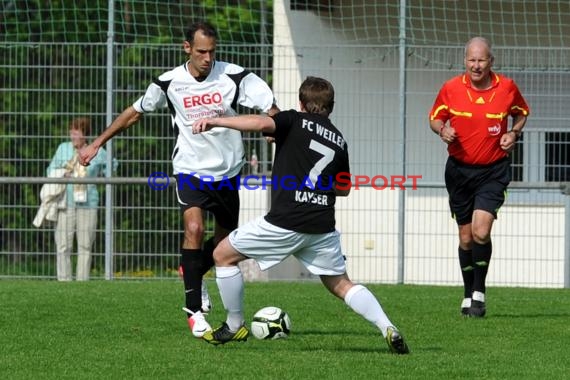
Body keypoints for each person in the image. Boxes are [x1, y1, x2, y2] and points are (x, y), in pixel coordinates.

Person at [78, 21, 278, 335]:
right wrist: (97, 142)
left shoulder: (235, 75)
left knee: (224, 247)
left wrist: (274, 130)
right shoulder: (170, 82)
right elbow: (134, 112)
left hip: (228, 172)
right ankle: (195, 311)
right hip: (190, 169)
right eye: (201, 52)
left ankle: (192, 270)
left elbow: (271, 110)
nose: (207, 58)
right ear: (187, 48)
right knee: (194, 228)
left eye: (212, 51)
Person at [192, 76, 410, 354]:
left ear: (301, 103)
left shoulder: (293, 120)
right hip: (321, 226)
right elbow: (344, 189)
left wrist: (215, 121)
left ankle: (234, 326)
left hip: (286, 220)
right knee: (341, 284)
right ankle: (386, 326)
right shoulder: (339, 141)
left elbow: (261, 123)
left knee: (222, 255)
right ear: (331, 107)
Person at [429, 37, 530, 317]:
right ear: (465, 61)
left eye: (481, 60)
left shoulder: (507, 88)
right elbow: (435, 118)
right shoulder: (451, 88)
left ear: (491, 62)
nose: (476, 65)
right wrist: (442, 130)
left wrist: (514, 133)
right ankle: (466, 293)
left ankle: (479, 292)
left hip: (493, 170)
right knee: (465, 237)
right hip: (459, 171)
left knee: (480, 231)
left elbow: (521, 114)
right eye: (471, 60)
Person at [46, 117, 115, 281]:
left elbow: (112, 165)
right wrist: (63, 172)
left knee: (85, 245)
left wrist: (106, 170)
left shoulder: (96, 151)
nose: (73, 136)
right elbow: (50, 170)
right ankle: (64, 281)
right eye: (72, 132)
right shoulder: (63, 149)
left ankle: (82, 282)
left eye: (76, 132)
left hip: (88, 203)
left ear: (85, 135)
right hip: (65, 203)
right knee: (63, 245)